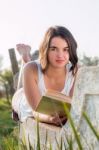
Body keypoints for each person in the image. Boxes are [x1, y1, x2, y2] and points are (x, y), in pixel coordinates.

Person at [12, 26, 78, 126]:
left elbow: (72, 106)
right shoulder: (31, 69)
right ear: (46, 49)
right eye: (54, 49)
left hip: (50, 109)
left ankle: (27, 58)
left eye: (65, 49)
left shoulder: (76, 71)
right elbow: (35, 110)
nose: (60, 55)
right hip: (26, 103)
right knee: (21, 86)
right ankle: (25, 58)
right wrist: (50, 119)